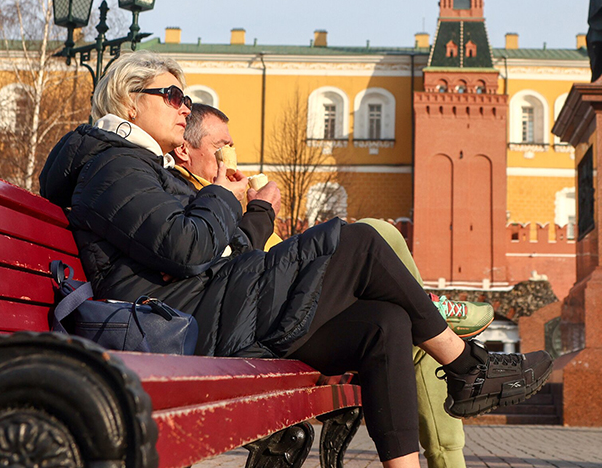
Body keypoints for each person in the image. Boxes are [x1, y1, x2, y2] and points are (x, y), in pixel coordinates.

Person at [39, 51, 551, 468]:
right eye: (172, 95)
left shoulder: (140, 165)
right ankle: (467, 368)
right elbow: (187, 247)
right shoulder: (113, 163)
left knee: (384, 322)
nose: (183, 106)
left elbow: (219, 252)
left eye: (186, 97)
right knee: (360, 242)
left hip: (201, 309)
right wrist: (219, 195)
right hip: (179, 324)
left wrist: (256, 212)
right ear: (129, 103)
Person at [173, 102, 493, 468]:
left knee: (392, 320)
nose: (231, 159)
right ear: (185, 151)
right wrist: (256, 211)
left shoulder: (217, 196)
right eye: (221, 148)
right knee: (374, 239)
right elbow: (227, 269)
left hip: (273, 309)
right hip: (255, 325)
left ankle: (431, 323)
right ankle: (441, 327)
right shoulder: (199, 200)